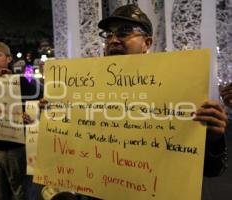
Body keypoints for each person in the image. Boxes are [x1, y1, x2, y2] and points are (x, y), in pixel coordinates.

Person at [97, 4, 227, 177]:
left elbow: (211, 170)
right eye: (109, 34)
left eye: (124, 32)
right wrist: (52, 119)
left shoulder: (179, 88)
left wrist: (212, 141)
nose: (113, 40)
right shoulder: (86, 88)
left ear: (147, 43)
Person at [0, 41, 42, 200]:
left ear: (8, 59)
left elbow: (37, 97)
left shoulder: (21, 81)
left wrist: (28, 114)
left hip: (16, 149)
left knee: (20, 193)